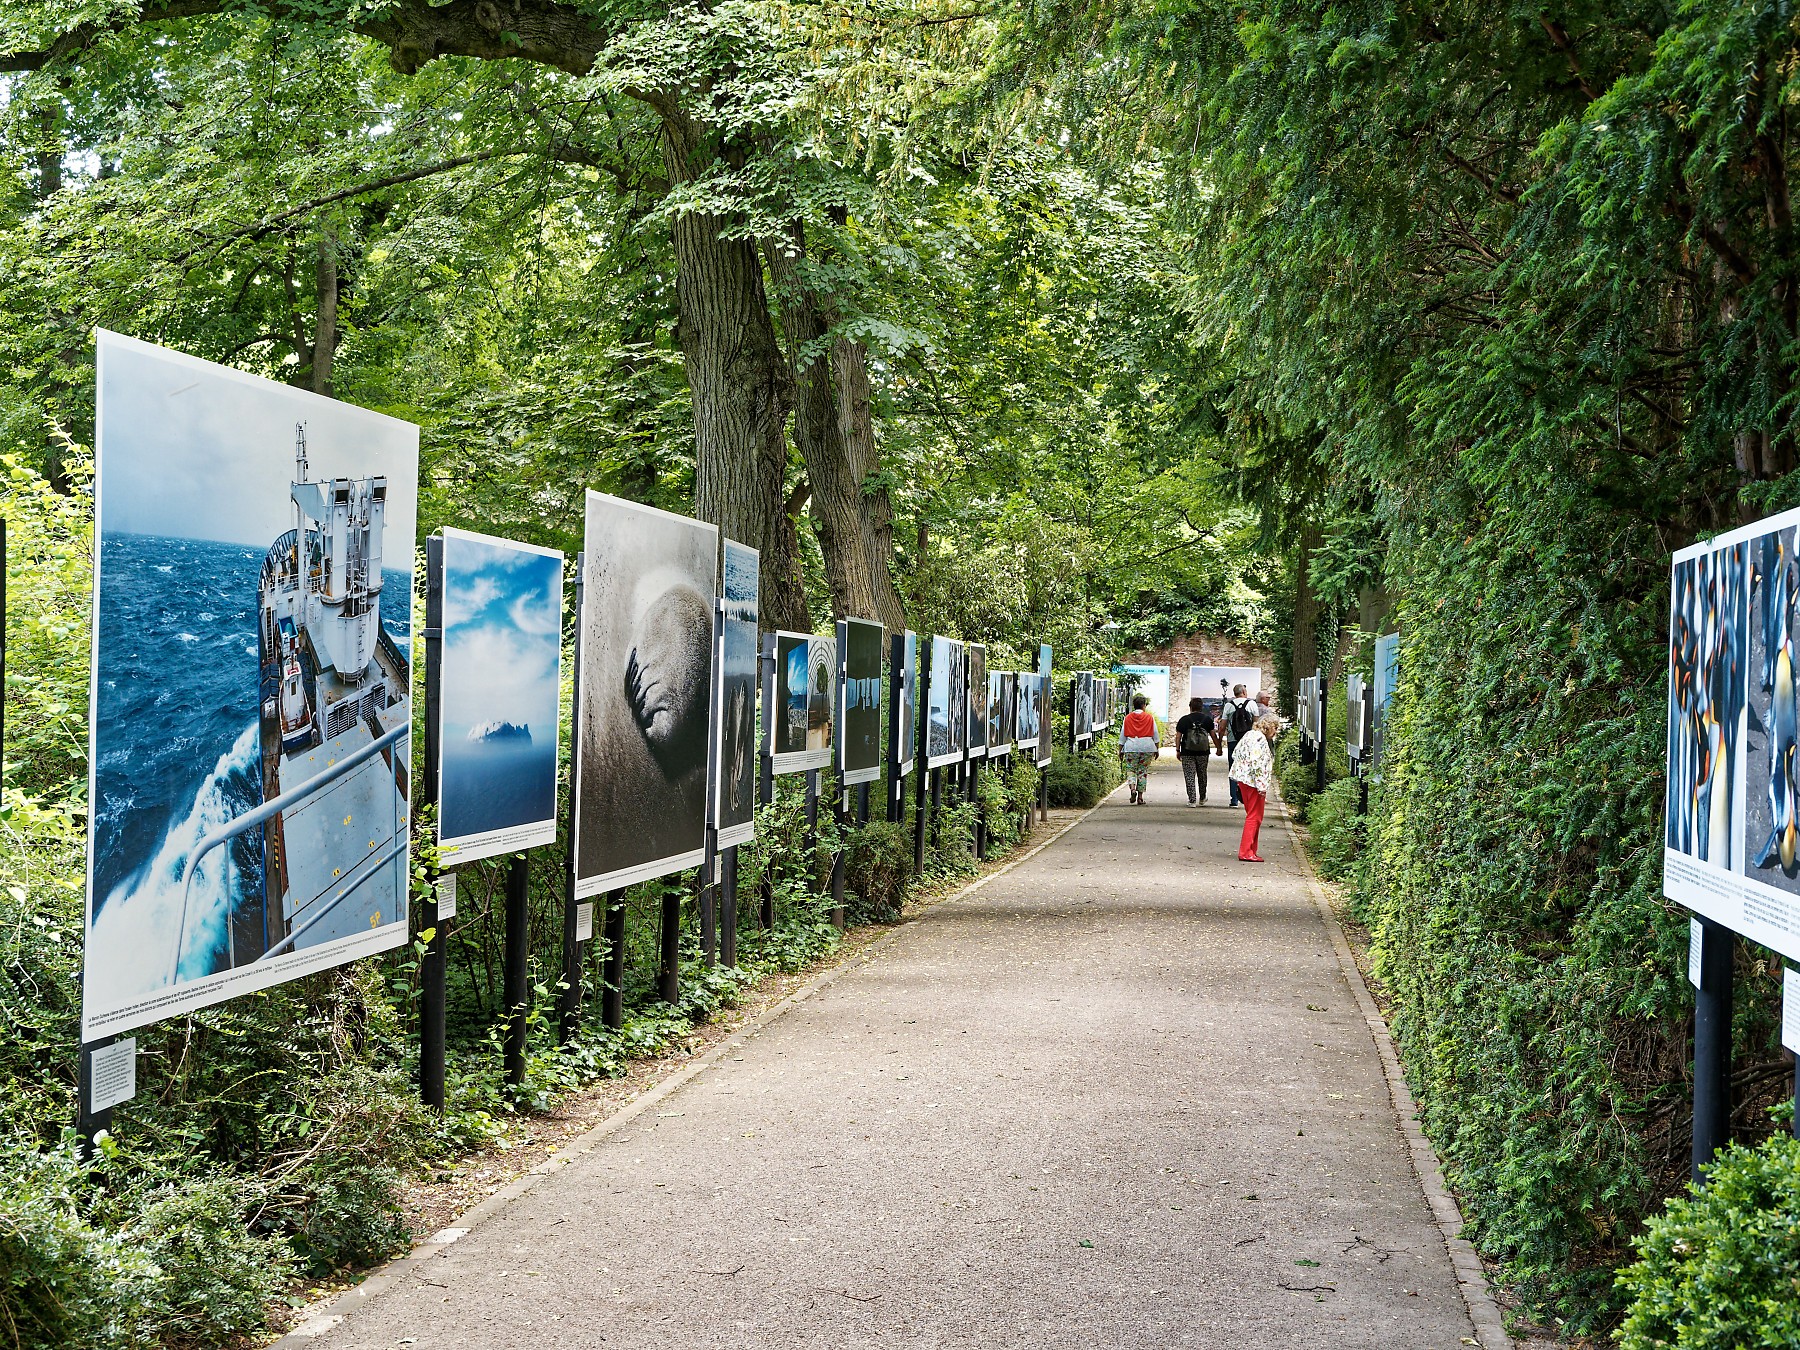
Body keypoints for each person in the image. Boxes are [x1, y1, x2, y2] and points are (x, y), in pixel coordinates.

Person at [1229, 712, 1282, 862]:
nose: (1275, 732)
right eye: (1275, 728)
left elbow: (1235, 754)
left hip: (1244, 780)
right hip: (1253, 782)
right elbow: (1257, 764)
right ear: (1268, 726)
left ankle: (1251, 850)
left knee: (1254, 816)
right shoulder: (1260, 739)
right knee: (1254, 817)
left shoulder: (1249, 734)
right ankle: (1246, 851)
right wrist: (1261, 786)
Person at [1174, 696, 1215, 806]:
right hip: (1203, 752)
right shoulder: (1207, 719)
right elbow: (1213, 735)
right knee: (1202, 775)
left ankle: (1192, 800)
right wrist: (1218, 747)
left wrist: (1178, 750)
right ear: (1201, 707)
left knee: (1189, 775)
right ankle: (1202, 797)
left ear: (1190, 707)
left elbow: (1178, 736)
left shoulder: (1184, 720)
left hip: (1187, 752)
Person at [1223, 684, 1259, 807]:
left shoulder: (1228, 705)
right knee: (1248, 768)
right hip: (1248, 741)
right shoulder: (1252, 704)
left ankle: (1234, 799)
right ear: (1244, 691)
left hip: (1233, 740)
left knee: (1233, 768)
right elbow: (1256, 724)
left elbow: (1222, 726)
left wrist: (1219, 744)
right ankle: (1247, 797)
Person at [1119, 693, 1160, 805]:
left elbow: (1122, 736)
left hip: (1131, 747)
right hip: (1147, 747)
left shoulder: (1127, 718)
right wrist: (1157, 749)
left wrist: (1120, 750)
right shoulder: (1150, 718)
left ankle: (1133, 789)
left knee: (1131, 770)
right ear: (1144, 705)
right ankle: (1140, 797)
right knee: (1142, 771)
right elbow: (1155, 735)